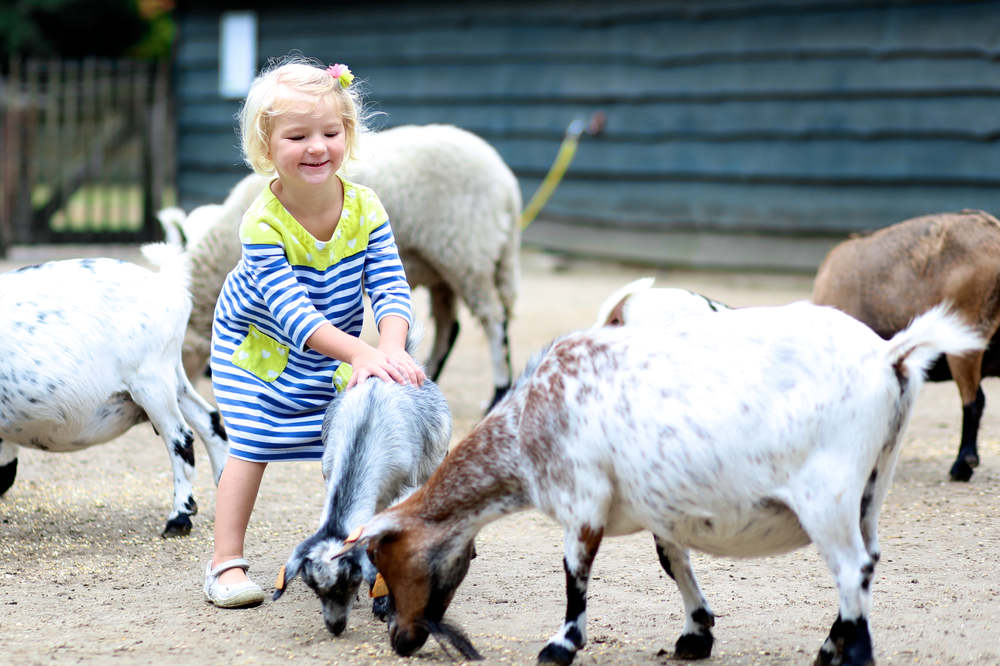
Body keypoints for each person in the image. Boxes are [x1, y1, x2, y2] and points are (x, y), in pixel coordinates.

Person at [203, 56, 425, 608]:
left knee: (358, 434)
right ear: (266, 145)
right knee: (252, 442)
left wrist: (390, 348)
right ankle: (224, 563)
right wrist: (360, 352)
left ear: (348, 133)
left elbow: (393, 289)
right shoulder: (261, 223)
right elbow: (293, 313)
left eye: (331, 132)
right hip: (258, 351)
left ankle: (361, 547)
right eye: (297, 135)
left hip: (335, 347)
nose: (317, 147)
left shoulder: (366, 206)